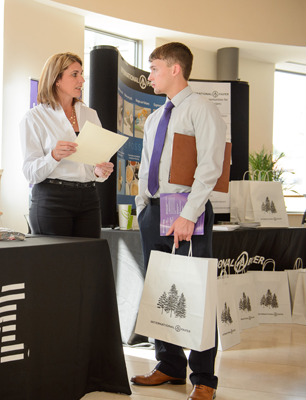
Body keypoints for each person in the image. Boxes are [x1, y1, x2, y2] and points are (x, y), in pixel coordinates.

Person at [132, 43, 226, 400]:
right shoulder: (155, 118)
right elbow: (144, 167)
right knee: (158, 290)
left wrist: (190, 214)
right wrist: (143, 206)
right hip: (154, 211)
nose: (149, 75)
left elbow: (211, 165)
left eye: (154, 68)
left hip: (189, 210)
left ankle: (204, 378)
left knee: (196, 291)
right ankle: (169, 365)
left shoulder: (201, 109)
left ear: (175, 69)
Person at [20, 52, 114, 238]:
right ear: (56, 79)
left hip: (89, 198)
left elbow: (93, 167)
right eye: (74, 74)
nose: (82, 80)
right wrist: (53, 156)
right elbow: (30, 172)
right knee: (56, 263)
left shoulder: (90, 115)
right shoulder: (34, 118)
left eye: (81, 73)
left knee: (87, 261)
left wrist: (99, 172)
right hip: (52, 199)